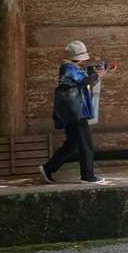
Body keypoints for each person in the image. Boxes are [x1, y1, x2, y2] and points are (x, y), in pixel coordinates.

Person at [40, 40, 114, 184]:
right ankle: (88, 176)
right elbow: (84, 81)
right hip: (76, 113)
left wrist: (98, 71)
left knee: (72, 144)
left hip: (72, 112)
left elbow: (84, 76)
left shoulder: (70, 67)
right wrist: (98, 74)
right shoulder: (68, 68)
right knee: (86, 144)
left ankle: (48, 168)